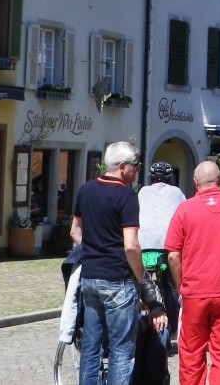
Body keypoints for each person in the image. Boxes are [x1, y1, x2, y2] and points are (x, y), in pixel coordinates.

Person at [164, 160, 220, 385]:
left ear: (195, 183)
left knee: (192, 354)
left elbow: (173, 255)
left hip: (195, 292)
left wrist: (180, 285)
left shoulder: (185, 208)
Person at [70, 141, 145, 385]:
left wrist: (92, 250)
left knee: (91, 347)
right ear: (122, 166)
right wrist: (141, 276)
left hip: (90, 278)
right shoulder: (127, 196)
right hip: (118, 280)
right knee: (121, 350)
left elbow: (74, 231)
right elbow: (131, 245)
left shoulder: (86, 189)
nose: (138, 171)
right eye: (136, 165)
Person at [138, 161, 186, 348]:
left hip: (143, 245)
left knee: (139, 283)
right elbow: (183, 216)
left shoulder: (142, 192)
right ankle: (173, 327)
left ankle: (138, 323)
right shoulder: (177, 193)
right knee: (171, 286)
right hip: (167, 245)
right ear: (170, 178)